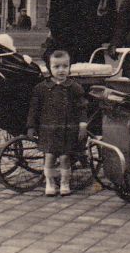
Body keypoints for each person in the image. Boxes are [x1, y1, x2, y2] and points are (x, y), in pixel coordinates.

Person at [27, 50, 88, 197]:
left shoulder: (74, 87)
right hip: (49, 129)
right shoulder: (42, 88)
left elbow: (82, 107)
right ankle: (50, 183)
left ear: (69, 67)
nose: (61, 70)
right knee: (49, 157)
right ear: (49, 68)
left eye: (65, 66)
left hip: (68, 129)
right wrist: (30, 126)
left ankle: (65, 183)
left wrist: (83, 124)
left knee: (65, 157)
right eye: (56, 66)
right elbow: (34, 109)